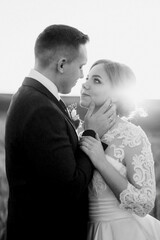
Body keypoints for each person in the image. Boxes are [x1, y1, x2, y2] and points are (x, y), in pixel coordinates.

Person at [4, 25, 116, 240]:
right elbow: (69, 188)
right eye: (81, 66)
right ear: (62, 64)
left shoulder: (32, 96)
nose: (83, 75)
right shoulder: (40, 108)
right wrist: (91, 132)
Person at [80, 59, 160, 240]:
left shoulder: (132, 136)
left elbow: (145, 204)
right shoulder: (80, 132)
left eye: (96, 80)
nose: (85, 84)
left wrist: (101, 162)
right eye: (87, 78)